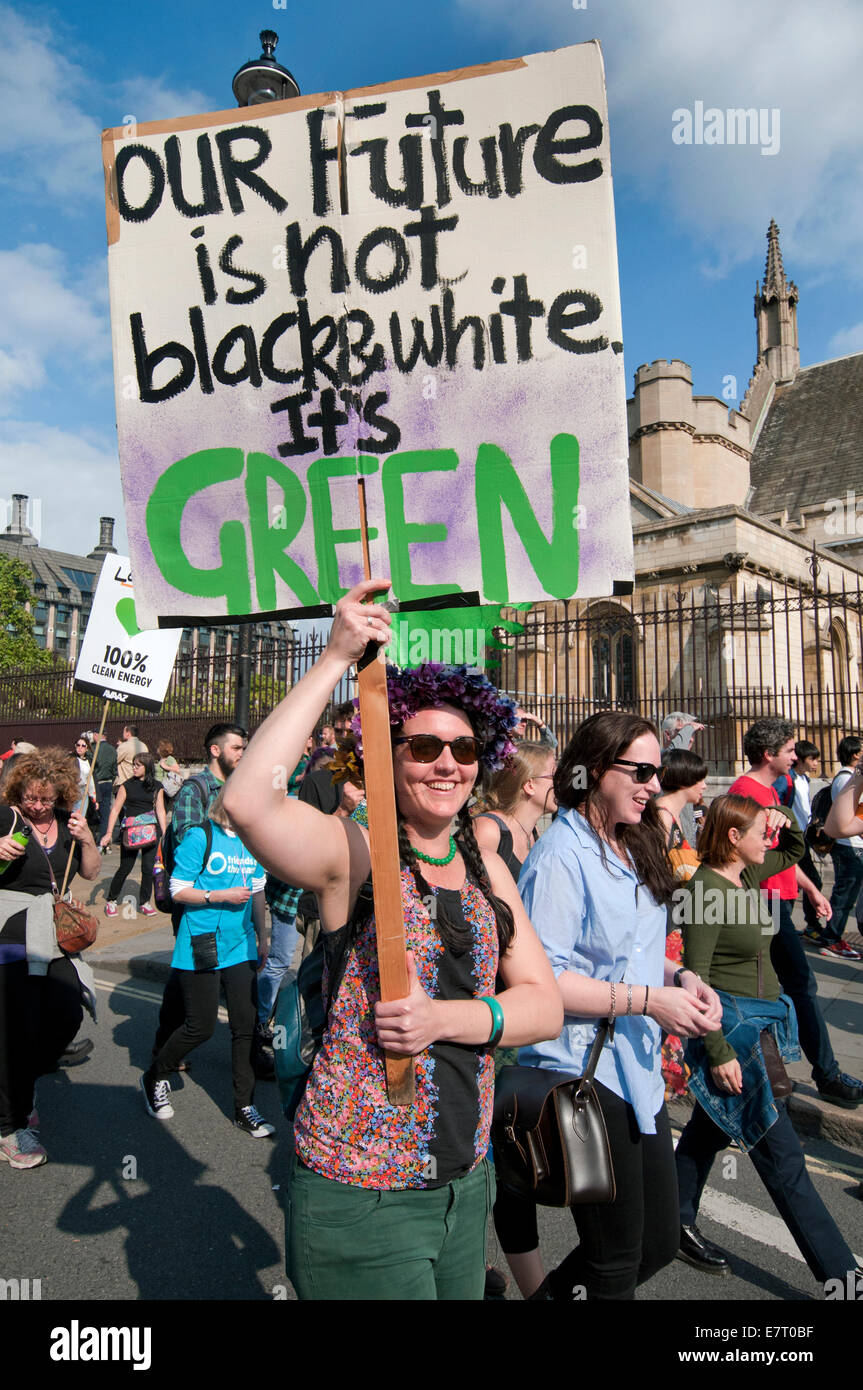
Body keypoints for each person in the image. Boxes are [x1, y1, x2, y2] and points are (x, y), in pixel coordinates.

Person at [223, 579, 562, 1301]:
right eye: (425, 746)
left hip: (465, 1183)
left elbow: (544, 1005)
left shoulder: (484, 864)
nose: (447, 762)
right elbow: (248, 801)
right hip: (360, 1189)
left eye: (464, 747)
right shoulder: (354, 853)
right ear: (388, 754)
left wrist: (449, 1020)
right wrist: (337, 656)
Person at [493, 711, 722, 1301]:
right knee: (616, 1260)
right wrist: (650, 1000)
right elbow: (545, 980)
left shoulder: (630, 841)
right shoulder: (561, 855)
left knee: (659, 1242)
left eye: (657, 772)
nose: (653, 784)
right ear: (595, 770)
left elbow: (634, 949)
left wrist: (683, 976)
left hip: (636, 1070)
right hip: (584, 1073)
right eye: (641, 771)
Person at [675, 794, 860, 1288]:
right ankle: (843, 1280)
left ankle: (673, 1216)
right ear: (733, 838)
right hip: (735, 1033)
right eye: (760, 832)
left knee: (707, 1128)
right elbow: (697, 979)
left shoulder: (748, 875)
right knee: (784, 1158)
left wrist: (784, 820)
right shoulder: (704, 891)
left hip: (762, 1028)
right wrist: (716, 1053)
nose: (768, 840)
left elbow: (796, 848)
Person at [730, 718, 862, 1106]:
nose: (796, 756)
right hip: (763, 901)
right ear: (769, 754)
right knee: (798, 986)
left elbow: (782, 854)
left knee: (777, 988)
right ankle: (826, 1074)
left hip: (779, 898)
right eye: (790, 750)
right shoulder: (745, 791)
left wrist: (809, 889)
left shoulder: (771, 792)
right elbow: (750, 854)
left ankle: (773, 1072)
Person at [141, 788, 273, 1135]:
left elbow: (258, 891)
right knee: (201, 1026)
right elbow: (178, 889)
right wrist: (221, 895)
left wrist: (264, 935)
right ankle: (155, 1075)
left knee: (245, 1026)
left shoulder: (252, 840)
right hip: (201, 940)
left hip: (241, 944)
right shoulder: (201, 835)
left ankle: (245, 1106)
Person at [0, 747, 100, 1168]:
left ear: (60, 792)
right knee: (12, 1031)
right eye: (29, 797)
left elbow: (92, 872)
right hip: (10, 933)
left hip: (53, 933)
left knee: (65, 1014)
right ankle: (9, 1128)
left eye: (45, 798)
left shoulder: (68, 823)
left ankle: (25, 1081)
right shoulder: (6, 820)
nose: (36, 805)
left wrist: (88, 839)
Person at [150, 723, 249, 1062]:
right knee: (188, 977)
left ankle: (248, 1049)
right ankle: (166, 1047)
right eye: (237, 747)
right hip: (197, 903)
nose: (242, 753)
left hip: (235, 903)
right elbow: (187, 842)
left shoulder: (240, 787)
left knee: (234, 976)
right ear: (215, 750)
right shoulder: (196, 789)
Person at [655, 748, 708, 1100]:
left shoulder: (676, 816)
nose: (704, 785)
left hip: (678, 920)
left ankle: (670, 1077)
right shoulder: (660, 817)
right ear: (686, 779)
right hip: (666, 922)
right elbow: (657, 873)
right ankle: (663, 1080)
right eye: (700, 777)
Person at [473, 741, 557, 880]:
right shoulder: (488, 829)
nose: (560, 782)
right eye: (553, 776)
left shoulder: (532, 831)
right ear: (529, 785)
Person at [100, 753, 167, 917]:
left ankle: (144, 902)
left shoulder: (157, 786)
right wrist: (108, 833)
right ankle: (112, 899)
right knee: (125, 867)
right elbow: (115, 809)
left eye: (138, 765)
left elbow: (160, 809)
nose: (134, 768)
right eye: (134, 765)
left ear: (147, 767)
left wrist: (164, 833)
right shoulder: (126, 786)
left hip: (151, 832)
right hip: (131, 833)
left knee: (147, 868)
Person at [775, 741, 826, 944]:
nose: (816, 763)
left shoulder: (804, 779)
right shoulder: (788, 780)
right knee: (809, 880)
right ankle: (808, 925)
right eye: (813, 759)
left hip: (802, 837)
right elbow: (778, 803)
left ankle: (802, 924)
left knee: (801, 882)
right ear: (802, 759)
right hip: (790, 838)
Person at [817, 736, 863, 960]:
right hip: (848, 846)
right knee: (844, 896)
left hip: (851, 845)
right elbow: (838, 825)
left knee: (844, 896)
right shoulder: (845, 779)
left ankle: (831, 936)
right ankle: (831, 937)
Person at [91, 733, 117, 852]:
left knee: (94, 811)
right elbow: (114, 767)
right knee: (105, 813)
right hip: (108, 782)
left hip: (97, 783)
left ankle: (96, 840)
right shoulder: (112, 749)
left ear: (97, 735)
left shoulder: (94, 748)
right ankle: (103, 839)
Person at [115, 724, 148, 788]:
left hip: (125, 782)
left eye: (124, 732)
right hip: (141, 781)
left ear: (128, 733)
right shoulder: (144, 746)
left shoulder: (124, 746)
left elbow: (114, 760)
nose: (123, 734)